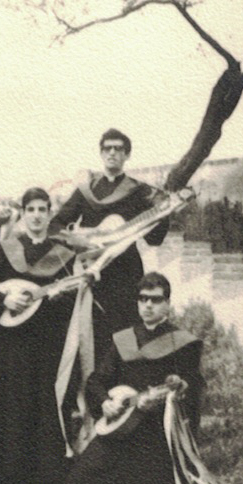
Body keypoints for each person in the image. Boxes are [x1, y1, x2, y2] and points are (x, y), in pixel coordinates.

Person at [48, 272, 208, 484]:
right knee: (81, 480)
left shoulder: (184, 343)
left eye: (156, 300)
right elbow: (97, 380)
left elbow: (192, 385)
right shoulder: (123, 340)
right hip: (120, 430)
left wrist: (177, 391)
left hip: (157, 435)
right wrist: (104, 402)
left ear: (167, 303)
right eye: (143, 299)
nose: (148, 306)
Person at [0, 187, 77, 484]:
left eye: (43, 209)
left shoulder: (63, 254)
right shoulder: (6, 249)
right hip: (11, 347)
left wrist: (59, 298)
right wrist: (3, 300)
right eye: (31, 209)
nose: (37, 215)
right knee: (8, 410)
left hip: (48, 344)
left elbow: (75, 297)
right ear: (23, 214)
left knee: (45, 410)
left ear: (50, 214)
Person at [53, 129, 168, 359]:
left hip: (126, 274)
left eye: (118, 148)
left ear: (127, 155)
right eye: (107, 148)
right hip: (92, 271)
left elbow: (154, 239)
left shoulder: (140, 192)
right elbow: (56, 226)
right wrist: (80, 242)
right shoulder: (86, 190)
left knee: (125, 334)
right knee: (92, 332)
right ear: (101, 153)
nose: (112, 152)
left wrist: (164, 212)